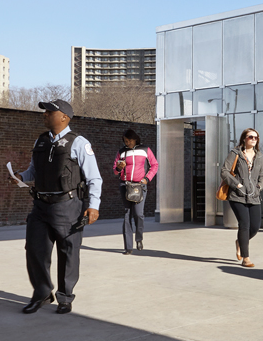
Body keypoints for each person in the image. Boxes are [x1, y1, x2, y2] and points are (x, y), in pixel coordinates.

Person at [10, 99, 102, 315]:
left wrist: (93, 206)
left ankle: (65, 297)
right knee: (35, 249)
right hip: (41, 205)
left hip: (68, 205)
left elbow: (94, 178)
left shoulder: (79, 143)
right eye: (44, 112)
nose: (45, 115)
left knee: (68, 252)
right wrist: (21, 176)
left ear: (64, 117)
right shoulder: (40, 141)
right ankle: (42, 293)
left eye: (49, 112)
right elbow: (34, 170)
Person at [220, 128, 263, 268]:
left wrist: (259, 187)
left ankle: (240, 242)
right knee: (244, 225)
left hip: (254, 196)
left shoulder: (259, 156)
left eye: (256, 137)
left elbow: (262, 175)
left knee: (255, 227)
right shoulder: (235, 153)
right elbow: (224, 171)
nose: (253, 139)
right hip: (237, 196)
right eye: (250, 137)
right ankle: (246, 258)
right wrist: (237, 185)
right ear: (244, 138)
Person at [113, 128, 157, 255]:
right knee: (127, 215)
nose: (128, 143)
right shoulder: (121, 152)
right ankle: (128, 247)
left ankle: (139, 238)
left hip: (139, 186)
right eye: (126, 141)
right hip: (125, 185)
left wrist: (147, 178)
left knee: (138, 214)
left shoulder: (145, 150)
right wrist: (119, 168)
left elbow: (154, 165)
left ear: (135, 139)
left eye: (130, 140)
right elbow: (115, 171)